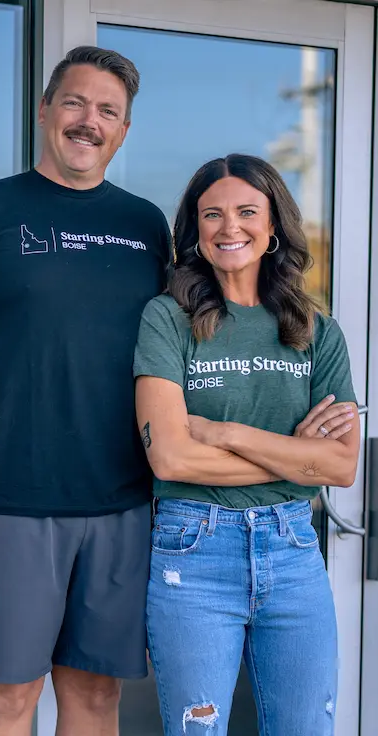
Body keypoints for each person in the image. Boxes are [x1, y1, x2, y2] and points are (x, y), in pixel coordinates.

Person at [0, 46, 172, 736]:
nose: (90, 121)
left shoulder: (148, 227)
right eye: (76, 103)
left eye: (108, 111)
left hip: (122, 506)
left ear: (123, 130)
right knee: (6, 701)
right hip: (6, 505)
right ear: (44, 111)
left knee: (96, 698)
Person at [133, 153, 360, 735]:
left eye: (246, 211)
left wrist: (228, 435)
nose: (229, 227)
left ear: (273, 226)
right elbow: (172, 457)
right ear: (196, 231)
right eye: (212, 214)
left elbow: (340, 464)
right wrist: (293, 459)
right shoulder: (168, 319)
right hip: (194, 549)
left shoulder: (316, 330)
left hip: (293, 551)